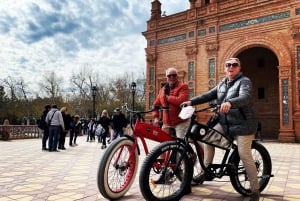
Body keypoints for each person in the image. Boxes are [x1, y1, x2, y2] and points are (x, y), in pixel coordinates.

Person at [181, 58, 260, 201]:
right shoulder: (222, 83)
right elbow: (208, 95)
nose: (231, 67)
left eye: (234, 65)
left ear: (239, 68)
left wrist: (230, 102)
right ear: (225, 68)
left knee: (244, 154)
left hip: (244, 125)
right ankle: (206, 170)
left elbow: (246, 97)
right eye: (228, 65)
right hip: (226, 124)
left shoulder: (244, 81)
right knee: (207, 138)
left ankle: (255, 190)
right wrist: (191, 102)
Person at [152, 67, 189, 138]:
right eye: (169, 75)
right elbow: (155, 105)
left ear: (177, 76)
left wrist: (168, 98)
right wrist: (156, 117)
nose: (172, 77)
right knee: (163, 143)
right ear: (166, 77)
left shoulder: (183, 86)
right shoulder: (162, 90)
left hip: (180, 121)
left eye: (174, 75)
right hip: (166, 122)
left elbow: (181, 101)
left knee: (180, 144)